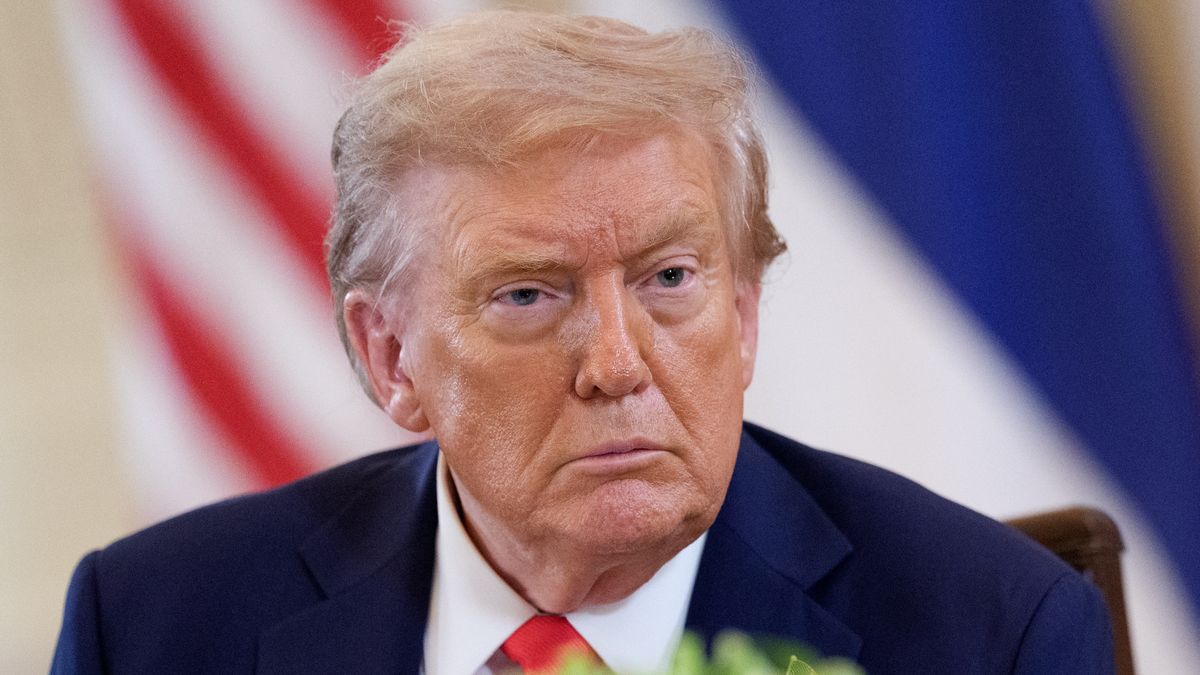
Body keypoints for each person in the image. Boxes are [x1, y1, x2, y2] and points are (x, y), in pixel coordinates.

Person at [52, 11, 1113, 674]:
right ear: (390, 359)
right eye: (527, 295)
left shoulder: (986, 634)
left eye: (669, 280)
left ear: (743, 317)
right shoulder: (154, 627)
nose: (617, 361)